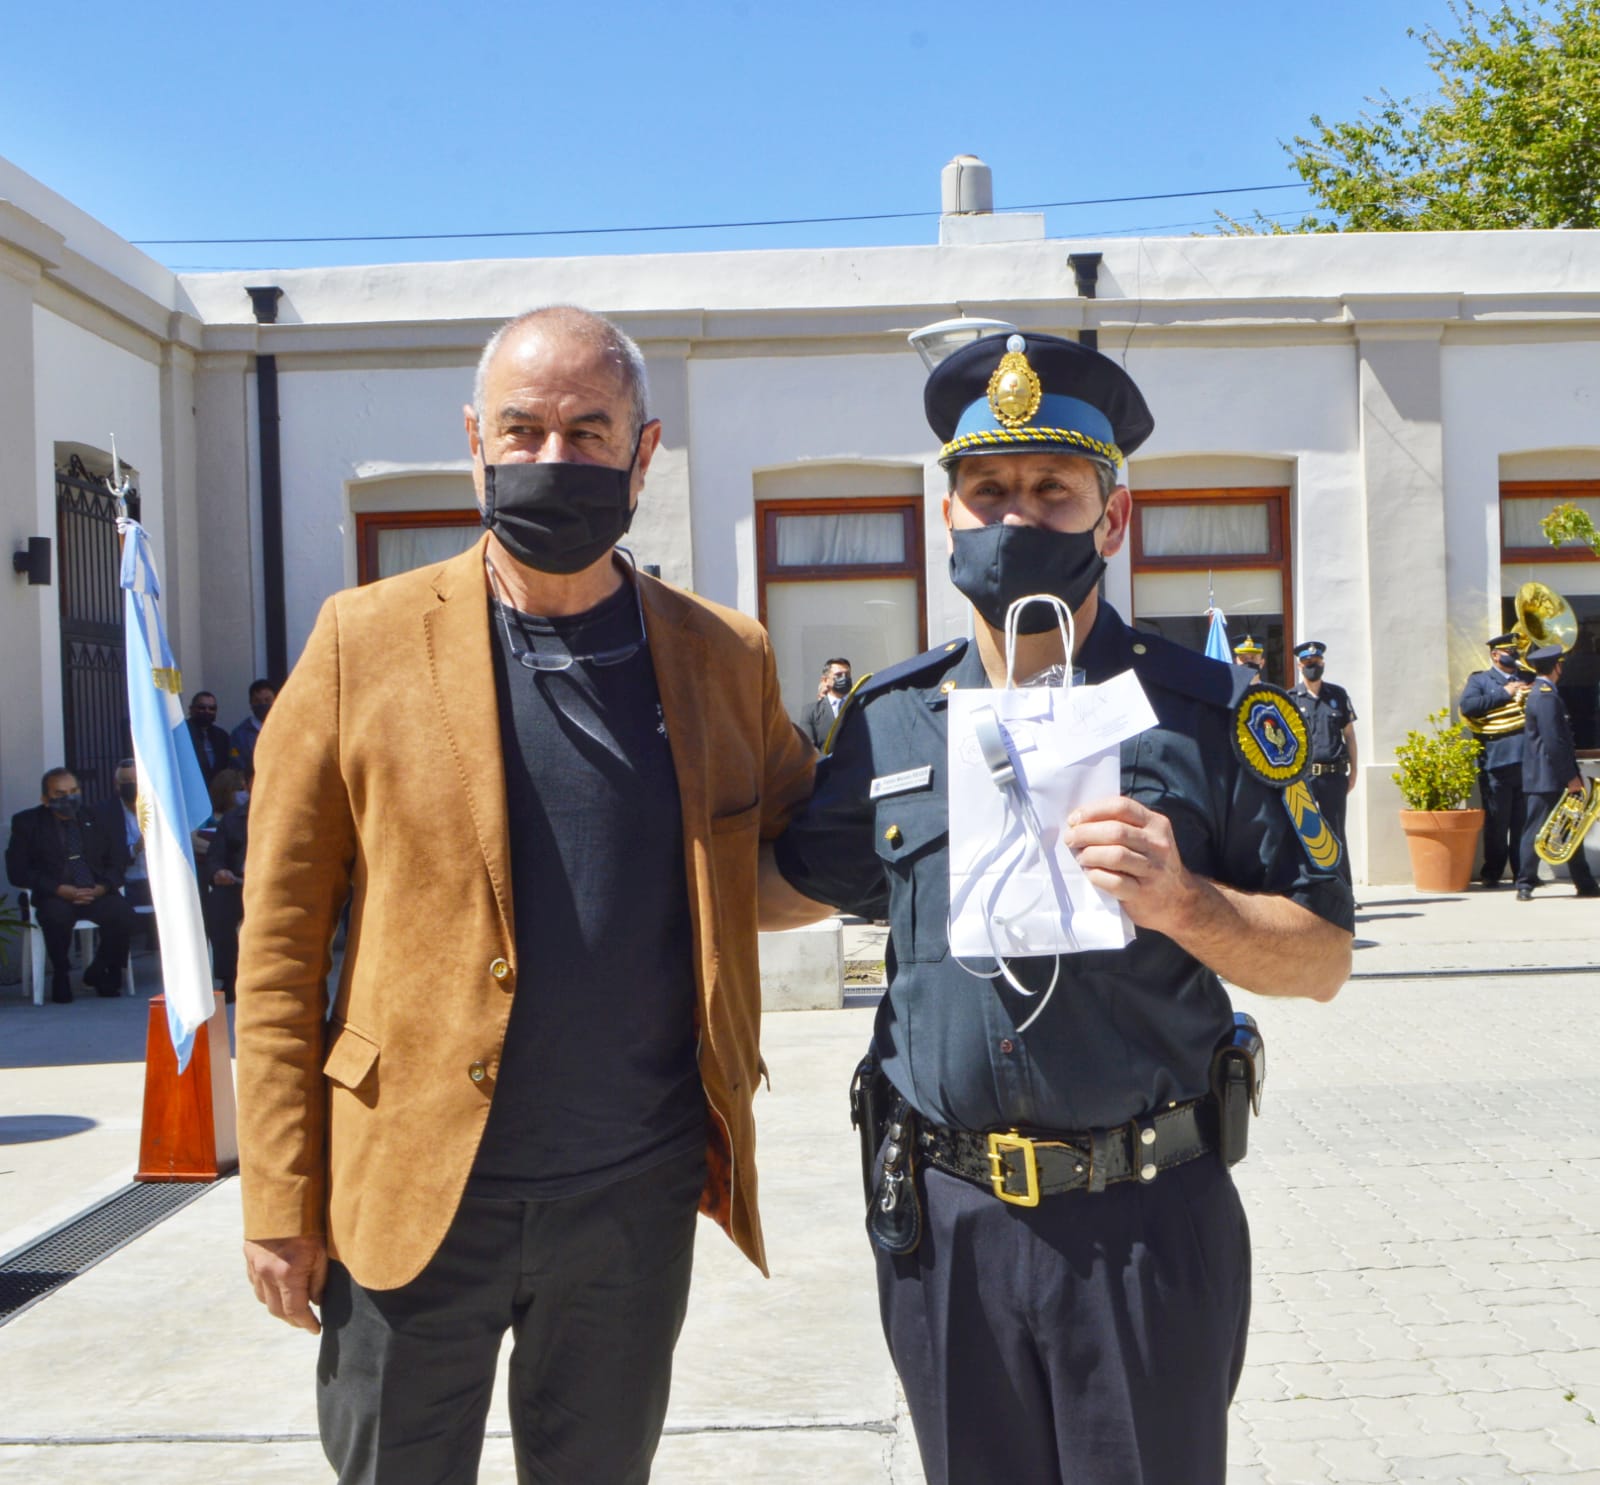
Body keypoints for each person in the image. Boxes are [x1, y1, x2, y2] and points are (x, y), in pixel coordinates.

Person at [235, 303, 815, 1485]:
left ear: (643, 453)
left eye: (589, 431)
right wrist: (279, 1194)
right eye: (524, 428)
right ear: (475, 442)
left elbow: (801, 853)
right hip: (410, 1193)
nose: (555, 458)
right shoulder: (362, 643)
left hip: (629, 1197)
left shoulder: (723, 656)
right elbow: (282, 945)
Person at [761, 331, 1354, 1485]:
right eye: (987, 493)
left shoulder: (1211, 714)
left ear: (1111, 519)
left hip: (1142, 1218)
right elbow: (773, 890)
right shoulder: (892, 722)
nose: (1016, 519)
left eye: (1051, 491)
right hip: (945, 1223)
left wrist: (1186, 903)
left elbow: (1321, 956)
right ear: (948, 519)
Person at [5, 767, 138, 1003]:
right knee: (56, 917)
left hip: (94, 891)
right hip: (54, 893)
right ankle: (61, 973)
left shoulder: (96, 818)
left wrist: (103, 887)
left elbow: (117, 861)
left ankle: (99, 970)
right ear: (45, 799)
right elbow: (18, 871)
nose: (68, 798)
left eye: (73, 791)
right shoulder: (27, 823)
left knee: (124, 916)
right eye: (60, 793)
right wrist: (58, 889)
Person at [1516, 644, 1598, 901]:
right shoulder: (1546, 695)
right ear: (1557, 667)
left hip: (1547, 774)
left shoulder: (1542, 693)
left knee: (1569, 829)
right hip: (1549, 775)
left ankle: (1584, 883)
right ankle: (1525, 883)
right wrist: (1570, 776)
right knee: (1539, 829)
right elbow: (1554, 742)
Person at [1459, 632, 1532, 887]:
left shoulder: (1527, 679)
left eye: (1516, 651)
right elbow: (1468, 706)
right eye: (1510, 651)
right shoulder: (1480, 680)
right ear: (1495, 655)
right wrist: (1505, 692)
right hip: (1496, 763)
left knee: (1523, 823)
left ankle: (1523, 873)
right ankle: (1493, 872)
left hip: (1525, 761)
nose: (1515, 655)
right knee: (1497, 823)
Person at [1289, 640, 1359, 880]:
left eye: (1317, 662)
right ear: (1300, 665)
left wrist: (1354, 773)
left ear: (1323, 663)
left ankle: (1344, 890)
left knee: (1336, 832)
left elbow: (1349, 735)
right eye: (1308, 663)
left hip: (1334, 775)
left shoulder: (1337, 695)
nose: (1313, 666)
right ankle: (1310, 888)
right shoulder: (1291, 699)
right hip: (1304, 777)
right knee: (1306, 832)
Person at [199, 769, 251, 1002]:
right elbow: (214, 856)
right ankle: (229, 977)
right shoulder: (233, 819)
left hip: (273, 886)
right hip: (238, 883)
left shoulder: (285, 816)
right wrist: (218, 872)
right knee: (218, 906)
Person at [89, 758, 150, 909]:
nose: (132, 784)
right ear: (117, 785)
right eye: (126, 781)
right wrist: (135, 849)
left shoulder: (162, 809)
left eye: (136, 780)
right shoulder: (102, 813)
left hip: (161, 880)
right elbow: (104, 855)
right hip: (126, 883)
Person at [803, 657, 853, 750]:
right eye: (838, 675)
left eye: (847, 674)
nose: (844, 678)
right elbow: (808, 749)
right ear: (825, 680)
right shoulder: (811, 711)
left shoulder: (860, 705)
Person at [229, 679, 276, 776]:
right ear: (251, 703)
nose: (263, 704)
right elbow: (237, 765)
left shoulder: (286, 729)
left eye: (267, 700)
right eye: (257, 701)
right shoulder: (239, 735)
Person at [185, 691, 232, 783]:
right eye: (202, 707)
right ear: (191, 709)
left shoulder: (222, 736)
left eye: (212, 708)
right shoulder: (183, 734)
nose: (207, 711)